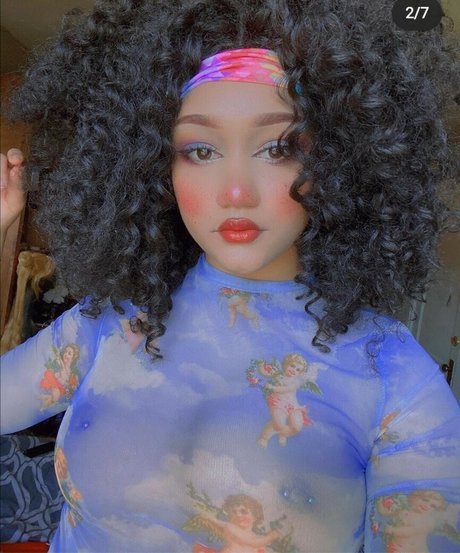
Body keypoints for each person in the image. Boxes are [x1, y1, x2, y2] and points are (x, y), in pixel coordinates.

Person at [0, 1, 459, 551]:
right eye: (200, 150)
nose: (236, 191)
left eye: (279, 148)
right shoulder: (108, 323)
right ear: (153, 165)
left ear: (339, 160)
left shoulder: (393, 376)